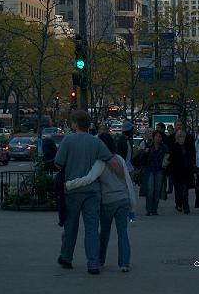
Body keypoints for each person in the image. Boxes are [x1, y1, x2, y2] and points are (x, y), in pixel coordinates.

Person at [54, 110, 123, 275]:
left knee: (71, 226)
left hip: (72, 190)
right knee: (92, 227)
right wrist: (122, 179)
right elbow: (112, 160)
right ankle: (93, 263)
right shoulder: (96, 142)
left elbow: (58, 163)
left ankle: (66, 257)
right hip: (92, 191)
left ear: (75, 124)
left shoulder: (68, 140)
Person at [65, 132, 136, 273]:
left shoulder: (100, 162)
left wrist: (69, 184)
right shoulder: (119, 159)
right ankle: (124, 263)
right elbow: (129, 183)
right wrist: (132, 206)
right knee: (123, 233)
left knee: (104, 233)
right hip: (123, 200)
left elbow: (89, 178)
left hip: (108, 202)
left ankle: (100, 259)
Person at [137, 130, 169, 216]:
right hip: (149, 169)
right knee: (150, 189)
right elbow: (142, 158)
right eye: (156, 136)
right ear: (154, 137)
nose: (158, 138)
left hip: (160, 170)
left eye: (160, 137)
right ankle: (148, 208)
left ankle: (154, 208)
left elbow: (167, 158)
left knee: (157, 190)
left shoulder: (164, 147)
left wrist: (166, 164)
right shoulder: (149, 146)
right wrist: (145, 152)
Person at [169, 130, 195, 214]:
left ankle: (185, 206)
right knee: (178, 189)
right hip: (177, 172)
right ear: (177, 138)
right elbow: (172, 160)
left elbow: (191, 158)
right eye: (180, 137)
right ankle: (178, 204)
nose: (182, 138)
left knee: (184, 189)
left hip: (186, 171)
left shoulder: (187, 146)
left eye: (183, 137)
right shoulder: (174, 147)